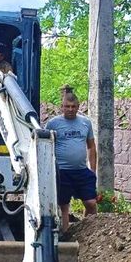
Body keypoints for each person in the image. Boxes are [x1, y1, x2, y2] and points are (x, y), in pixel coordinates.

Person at [46, 86, 98, 229]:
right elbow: (45, 147)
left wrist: (93, 170)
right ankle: (66, 234)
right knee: (64, 207)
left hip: (81, 171)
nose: (70, 109)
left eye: (73, 106)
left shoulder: (85, 123)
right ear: (61, 107)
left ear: (78, 107)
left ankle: (88, 233)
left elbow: (91, 146)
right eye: (67, 106)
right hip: (62, 171)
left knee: (91, 203)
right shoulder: (52, 124)